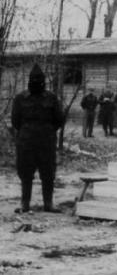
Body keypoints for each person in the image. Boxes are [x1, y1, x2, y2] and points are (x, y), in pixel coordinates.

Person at [11, 63, 64, 213]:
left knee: (48, 173)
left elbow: (59, 119)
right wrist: (28, 132)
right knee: (25, 173)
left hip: (46, 142)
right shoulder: (20, 98)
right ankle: (25, 204)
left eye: (39, 79)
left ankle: (48, 204)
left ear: (44, 81)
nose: (36, 82)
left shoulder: (51, 98)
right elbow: (15, 121)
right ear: (29, 80)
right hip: (26, 142)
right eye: (34, 79)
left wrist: (47, 131)